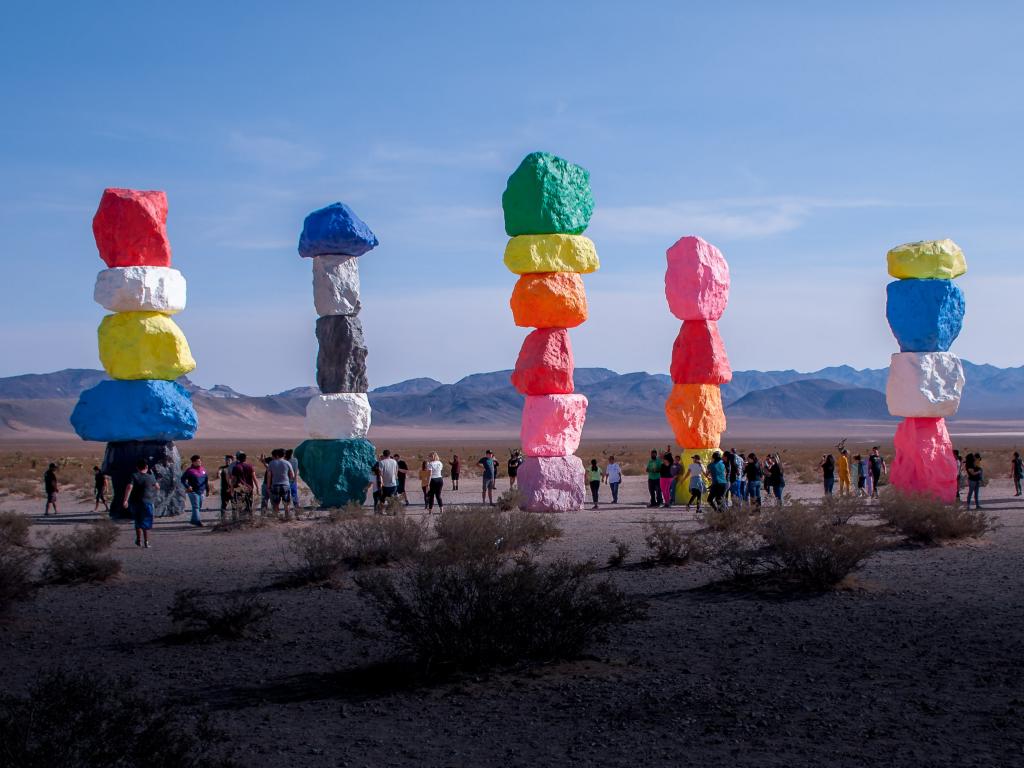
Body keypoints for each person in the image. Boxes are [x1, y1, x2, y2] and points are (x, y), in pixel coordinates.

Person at [122, 458, 156, 548]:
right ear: (147, 467)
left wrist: (125, 500)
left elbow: (129, 487)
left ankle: (138, 540)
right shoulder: (150, 477)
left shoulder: (134, 476)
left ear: (137, 467)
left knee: (138, 520)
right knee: (146, 521)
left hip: (135, 502)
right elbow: (157, 486)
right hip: (147, 502)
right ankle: (146, 541)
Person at [180, 455, 209, 527]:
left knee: (198, 507)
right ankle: (198, 521)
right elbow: (182, 479)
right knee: (196, 506)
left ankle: (193, 520)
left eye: (200, 461)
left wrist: (207, 490)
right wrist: (187, 486)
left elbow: (206, 480)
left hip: (201, 491)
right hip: (193, 492)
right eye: (197, 461)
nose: (199, 462)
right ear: (193, 462)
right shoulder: (190, 471)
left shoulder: (203, 470)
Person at [266, 449, 295, 519]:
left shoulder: (271, 463)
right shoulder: (287, 463)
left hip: (275, 485)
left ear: (277, 455)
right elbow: (292, 475)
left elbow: (269, 476)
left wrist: (268, 486)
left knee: (276, 504)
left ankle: (276, 518)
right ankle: (287, 517)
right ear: (284, 455)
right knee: (286, 504)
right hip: (285, 485)